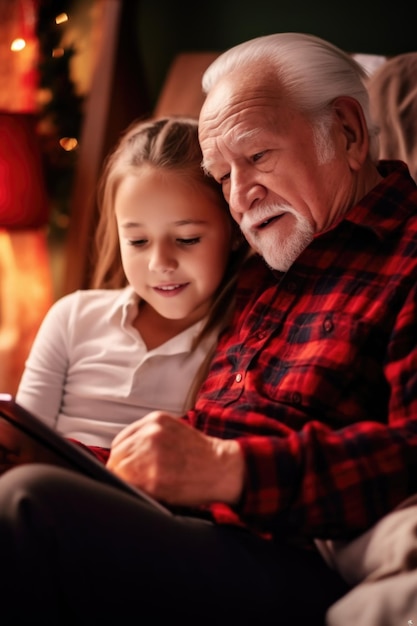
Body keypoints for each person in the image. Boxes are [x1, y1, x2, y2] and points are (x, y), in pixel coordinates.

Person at [0, 31, 416, 625]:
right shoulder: (269, 262)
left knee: (25, 507)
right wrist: (64, 455)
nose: (240, 198)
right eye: (222, 176)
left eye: (258, 157)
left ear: (348, 132)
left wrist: (227, 469)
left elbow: (409, 454)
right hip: (193, 524)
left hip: (287, 553)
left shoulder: (404, 260)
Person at [14, 116, 248, 462]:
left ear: (233, 231)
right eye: (138, 241)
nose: (160, 262)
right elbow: (25, 443)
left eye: (187, 239)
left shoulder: (242, 344)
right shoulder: (73, 317)